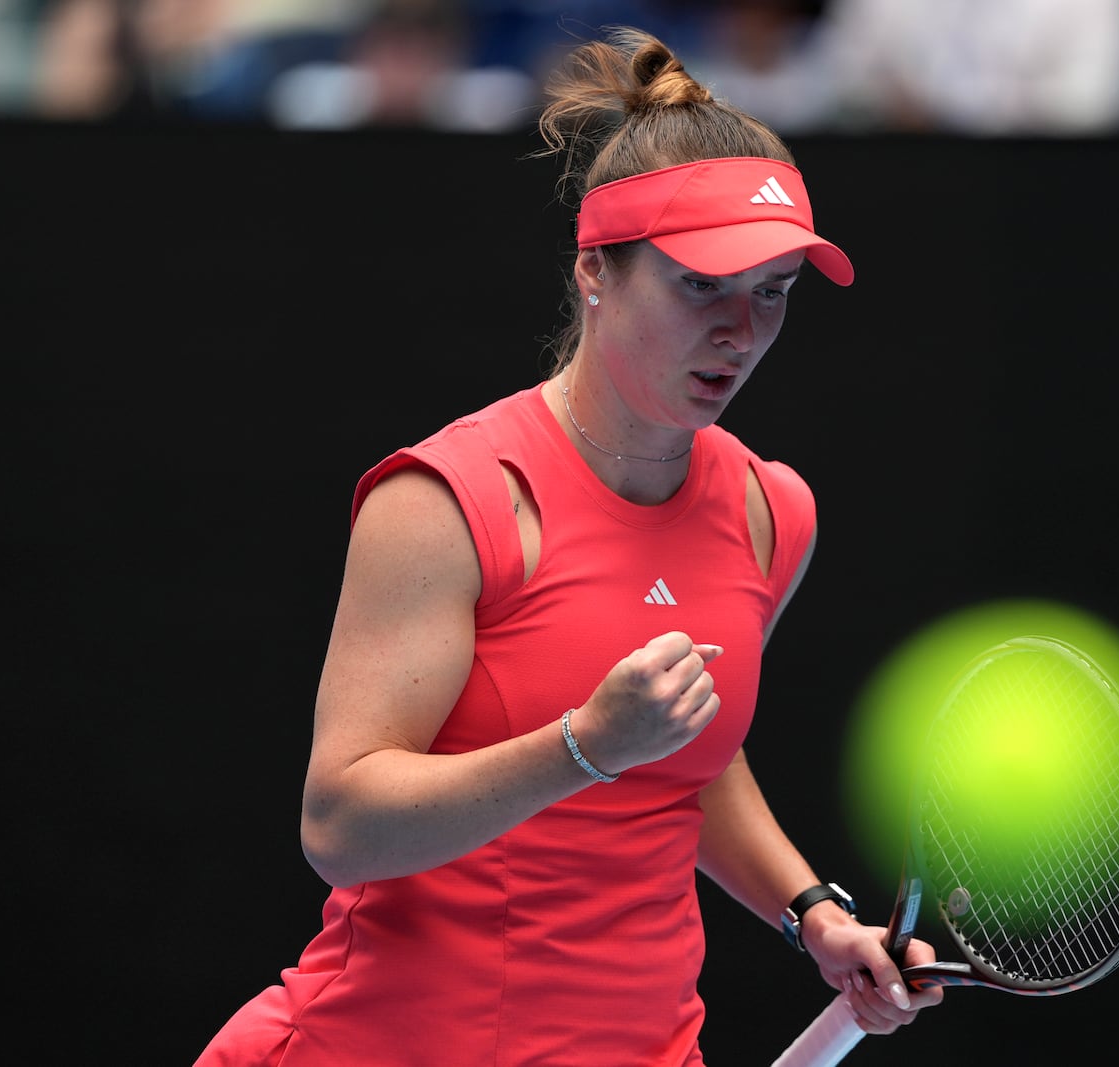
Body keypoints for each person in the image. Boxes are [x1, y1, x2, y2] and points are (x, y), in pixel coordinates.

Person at [193, 23, 942, 1067]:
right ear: (597, 269)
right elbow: (340, 825)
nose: (741, 329)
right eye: (700, 285)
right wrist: (581, 745)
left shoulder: (773, 512)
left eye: (774, 291)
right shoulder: (446, 501)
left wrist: (809, 910)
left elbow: (688, 753)